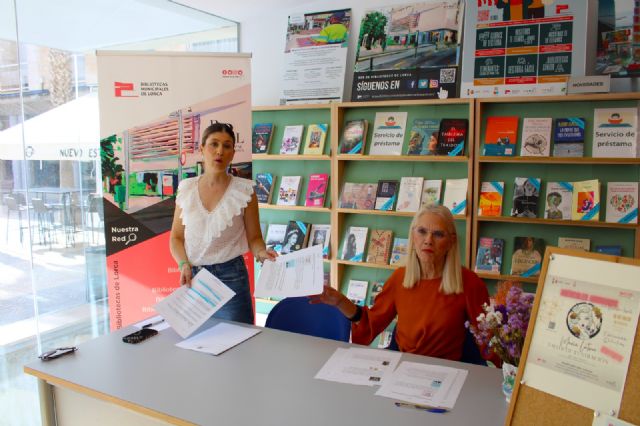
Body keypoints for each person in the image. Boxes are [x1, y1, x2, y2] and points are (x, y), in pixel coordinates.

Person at [310, 205, 494, 362]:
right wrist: (341, 301)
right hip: (403, 369)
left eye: (438, 234)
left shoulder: (469, 283)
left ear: (451, 242)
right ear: (412, 236)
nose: (428, 240)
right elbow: (371, 322)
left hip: (446, 374)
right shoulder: (400, 278)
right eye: (422, 231)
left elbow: (492, 341)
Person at [170, 121, 277, 324]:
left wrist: (262, 253)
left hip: (232, 278)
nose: (220, 151)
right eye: (214, 144)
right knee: (197, 344)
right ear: (202, 149)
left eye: (227, 146)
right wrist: (183, 264)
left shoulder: (245, 191)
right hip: (193, 278)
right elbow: (176, 237)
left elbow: (254, 238)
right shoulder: (186, 188)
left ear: (233, 153)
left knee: (238, 343)